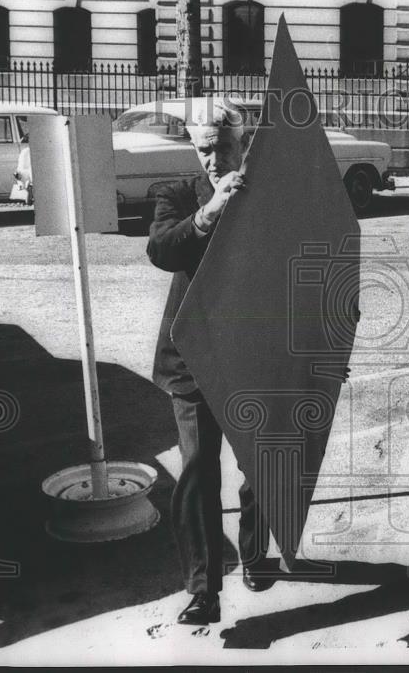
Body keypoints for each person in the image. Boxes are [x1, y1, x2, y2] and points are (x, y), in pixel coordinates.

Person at [147, 101, 273, 627]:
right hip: (191, 361)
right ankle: (202, 589)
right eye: (204, 149)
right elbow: (162, 250)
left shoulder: (270, 197)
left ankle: (255, 553)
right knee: (197, 472)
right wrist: (208, 214)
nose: (214, 160)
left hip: (251, 361)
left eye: (223, 147)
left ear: (243, 144)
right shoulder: (178, 194)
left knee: (260, 470)